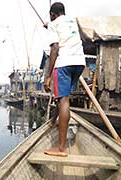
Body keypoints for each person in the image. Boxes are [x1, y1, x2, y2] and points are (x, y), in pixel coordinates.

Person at [43, 2, 85, 157]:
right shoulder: (72, 21)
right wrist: (50, 25)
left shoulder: (53, 24)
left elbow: (54, 48)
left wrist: (47, 76)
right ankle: (54, 122)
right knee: (62, 97)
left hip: (64, 64)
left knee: (63, 100)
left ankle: (60, 148)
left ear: (53, 14)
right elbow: (63, 30)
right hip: (79, 63)